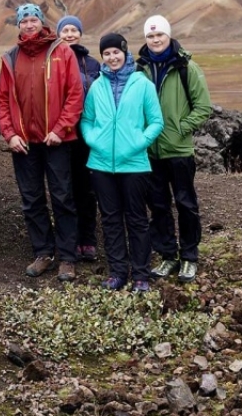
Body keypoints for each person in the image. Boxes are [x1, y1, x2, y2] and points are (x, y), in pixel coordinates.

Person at [0, 4, 84, 281]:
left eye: (34, 19)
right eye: (24, 21)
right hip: (24, 143)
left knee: (62, 197)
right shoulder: (11, 57)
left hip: (56, 140)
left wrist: (60, 128)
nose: (29, 25)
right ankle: (43, 252)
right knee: (31, 199)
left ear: (41, 22)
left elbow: (75, 93)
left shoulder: (61, 51)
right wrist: (10, 134)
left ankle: (68, 257)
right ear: (19, 26)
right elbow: (2, 100)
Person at [81, 33, 164, 292]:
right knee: (110, 219)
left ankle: (140, 274)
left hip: (135, 165)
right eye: (106, 53)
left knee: (137, 219)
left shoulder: (142, 85)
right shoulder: (97, 86)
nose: (112, 57)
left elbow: (156, 122)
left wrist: (136, 143)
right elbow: (86, 120)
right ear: (102, 57)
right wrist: (95, 141)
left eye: (116, 52)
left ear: (125, 53)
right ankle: (117, 272)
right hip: (101, 164)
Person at [135, 15, 213, 283]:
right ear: (145, 39)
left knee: (186, 204)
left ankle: (189, 257)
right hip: (150, 152)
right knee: (158, 206)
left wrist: (181, 128)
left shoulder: (186, 67)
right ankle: (168, 255)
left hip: (178, 151)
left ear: (168, 36)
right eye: (150, 36)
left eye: (160, 35)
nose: (155, 40)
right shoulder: (139, 69)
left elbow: (203, 107)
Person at [57, 15, 102, 262]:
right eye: (66, 30)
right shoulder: (52, 61)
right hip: (64, 133)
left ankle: (88, 239)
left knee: (88, 188)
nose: (70, 34)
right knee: (67, 188)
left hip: (88, 134)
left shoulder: (93, 64)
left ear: (81, 33)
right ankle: (70, 240)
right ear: (59, 34)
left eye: (74, 29)